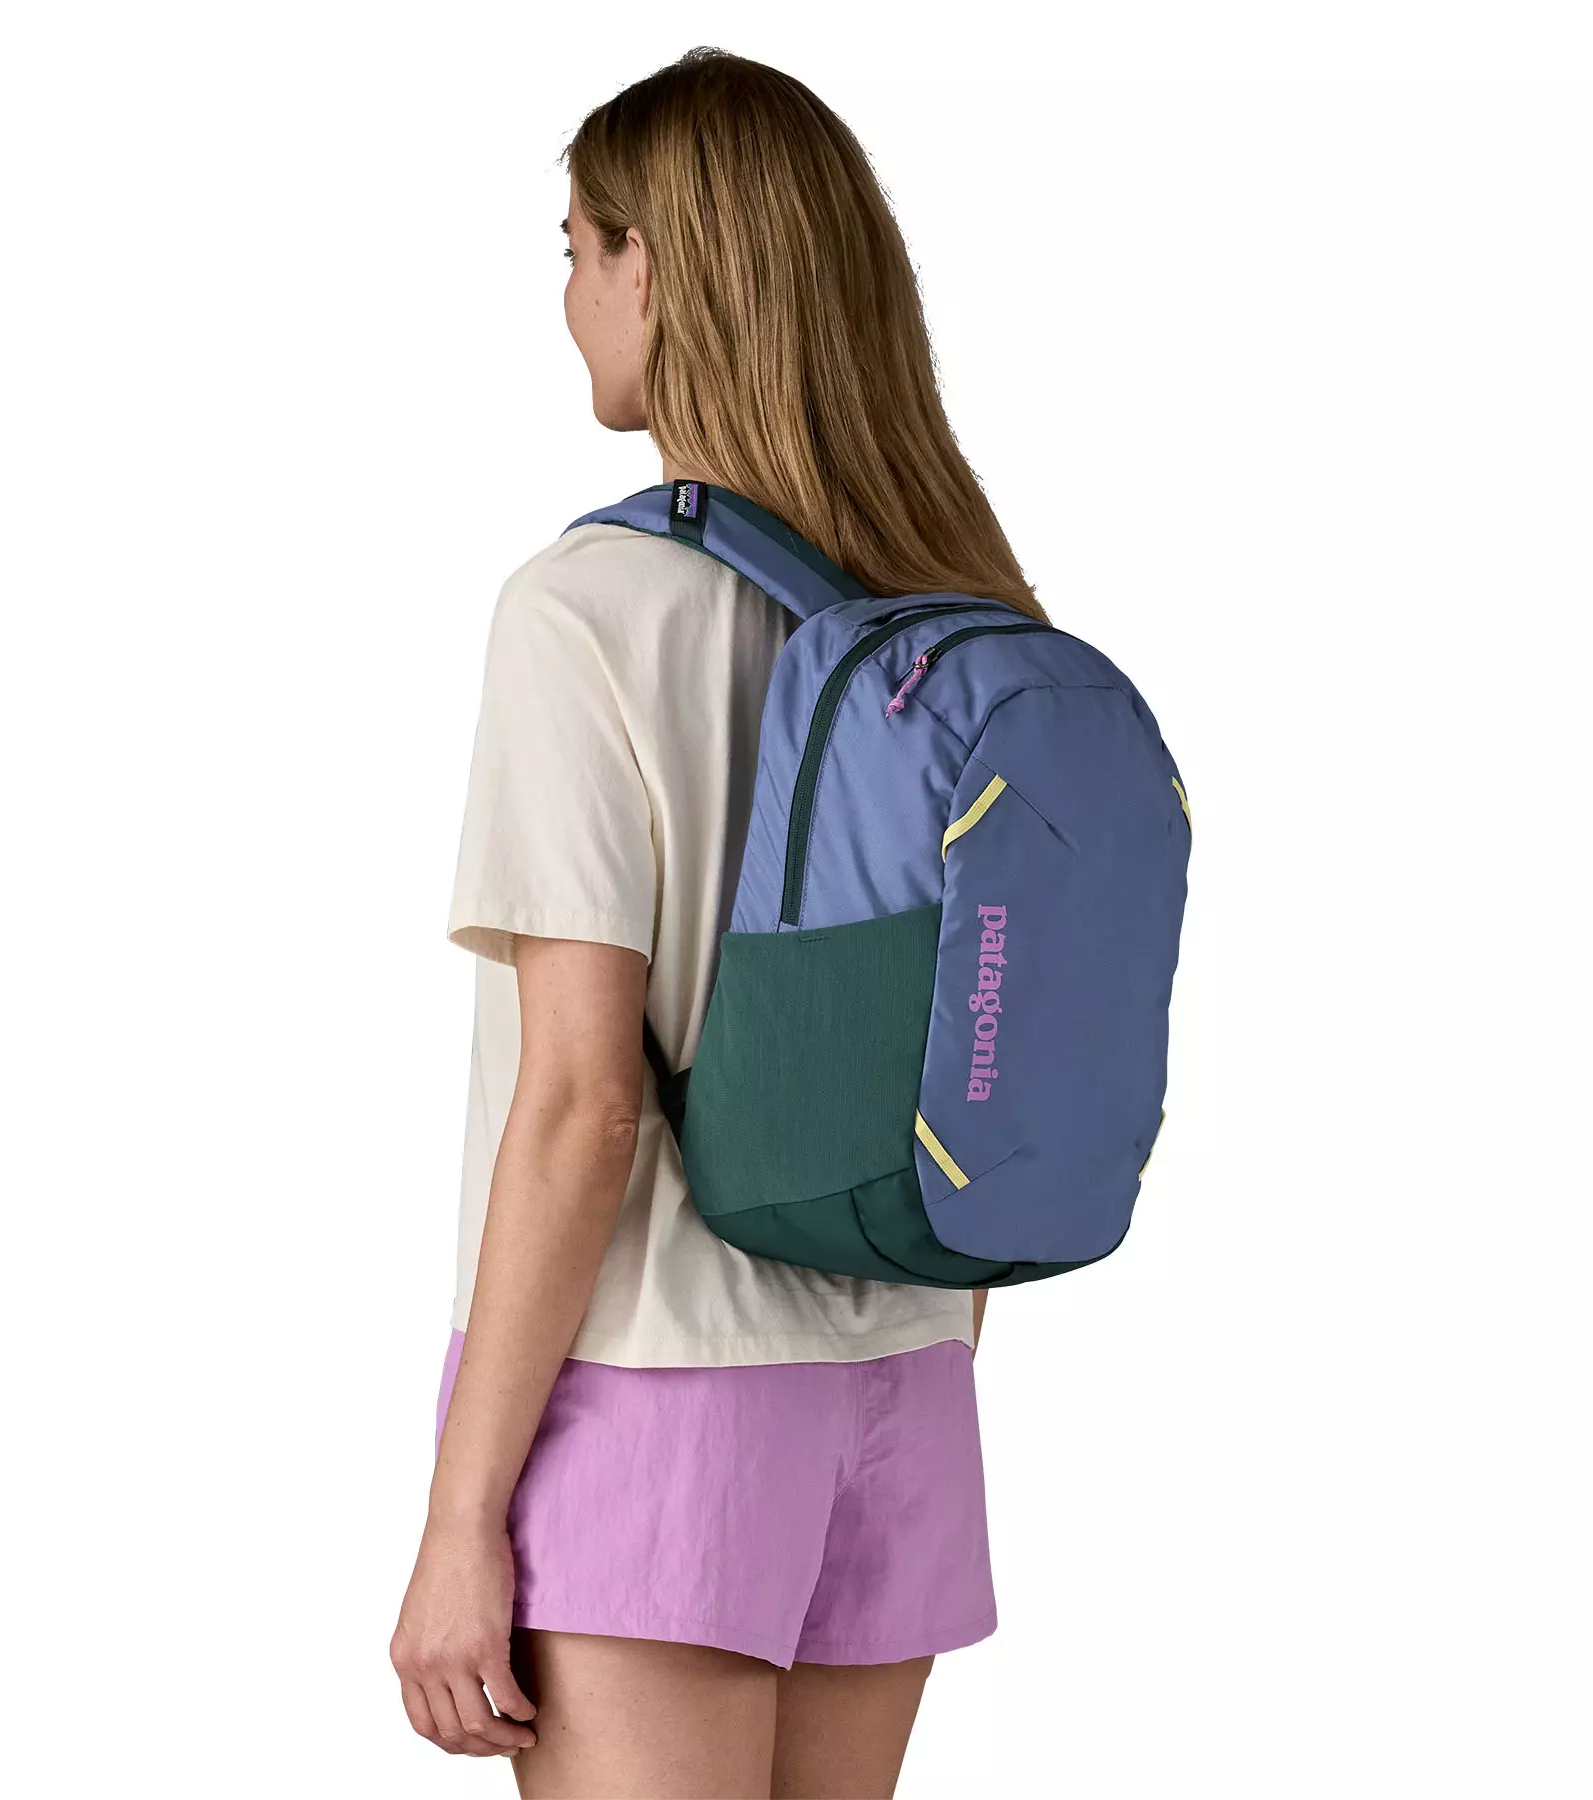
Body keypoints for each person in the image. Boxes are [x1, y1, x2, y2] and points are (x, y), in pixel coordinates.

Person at [392, 48, 1043, 1798]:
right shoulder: (958, 620)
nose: (567, 297)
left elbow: (581, 1104)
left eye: (577, 248)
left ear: (653, 267)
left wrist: (460, 1516)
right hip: (908, 1382)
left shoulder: (588, 612)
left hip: (655, 1388)